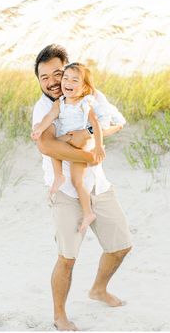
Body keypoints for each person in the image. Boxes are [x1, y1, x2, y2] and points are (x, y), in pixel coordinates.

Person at [32, 44, 132, 331]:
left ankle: (98, 289)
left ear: (70, 73)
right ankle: (59, 316)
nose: (52, 81)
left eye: (58, 73)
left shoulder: (90, 96)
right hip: (65, 192)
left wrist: (88, 133)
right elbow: (48, 145)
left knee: (121, 245)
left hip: (97, 184)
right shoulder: (46, 107)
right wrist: (88, 155)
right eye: (44, 76)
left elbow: (113, 124)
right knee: (67, 258)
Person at [32, 62, 122, 233]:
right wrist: (39, 130)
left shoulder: (85, 102)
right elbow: (49, 117)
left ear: (84, 87)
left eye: (74, 80)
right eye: (66, 78)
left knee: (77, 181)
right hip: (70, 140)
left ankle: (87, 213)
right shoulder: (59, 103)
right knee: (56, 146)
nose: (67, 83)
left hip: (81, 143)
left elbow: (96, 124)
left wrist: (98, 146)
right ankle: (59, 177)